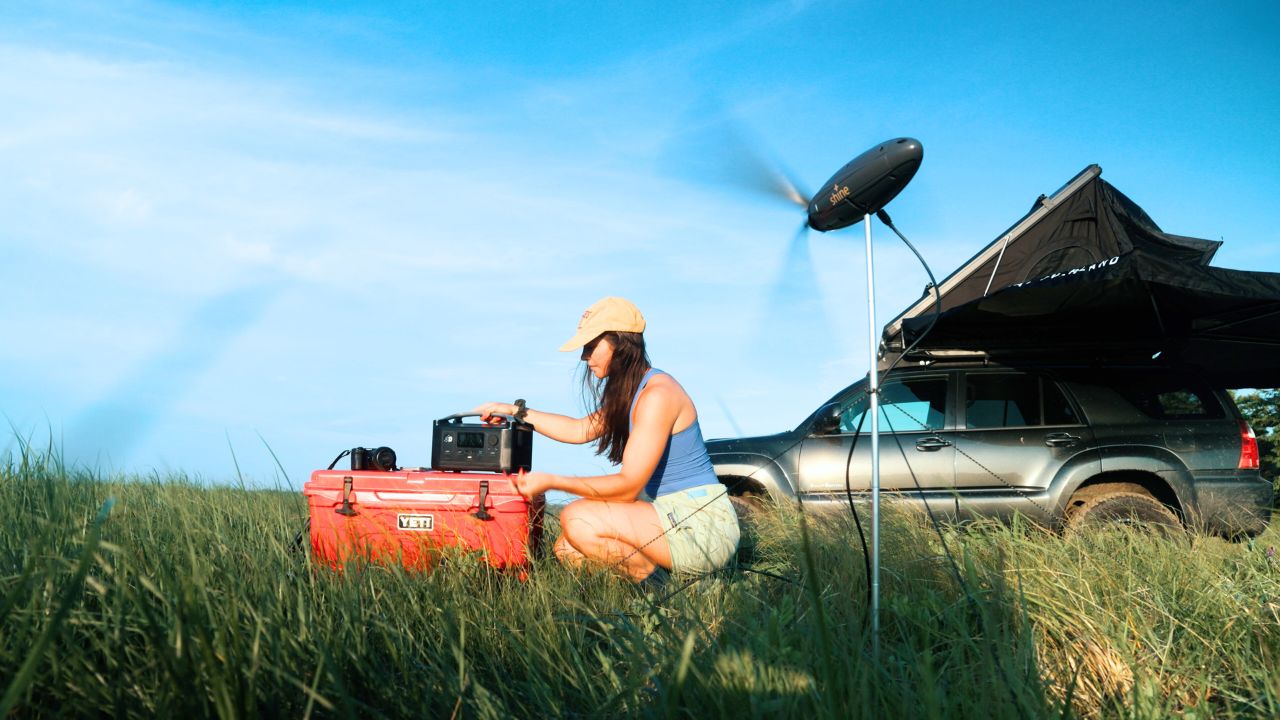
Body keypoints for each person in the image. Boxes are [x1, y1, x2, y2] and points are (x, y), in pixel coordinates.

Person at [473, 296, 739, 582]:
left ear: (620, 344)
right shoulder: (632, 392)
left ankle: (668, 594)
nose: (584, 356)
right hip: (668, 513)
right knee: (568, 550)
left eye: (590, 346)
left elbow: (627, 488)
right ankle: (670, 578)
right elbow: (578, 430)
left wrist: (552, 481)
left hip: (702, 526)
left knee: (577, 519)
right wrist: (516, 412)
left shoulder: (657, 395)